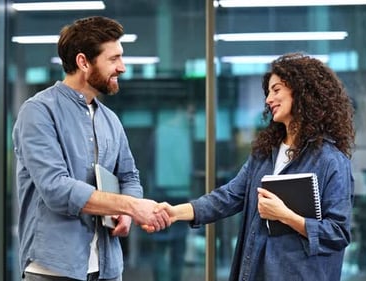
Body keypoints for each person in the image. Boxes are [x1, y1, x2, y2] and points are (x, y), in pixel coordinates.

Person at [150, 53, 355, 281]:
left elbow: (338, 233)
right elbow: (227, 197)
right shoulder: (264, 154)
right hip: (255, 270)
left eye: (276, 90)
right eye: (268, 92)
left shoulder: (330, 160)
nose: (268, 99)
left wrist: (286, 216)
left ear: (302, 91)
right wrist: (175, 212)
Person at [12, 16, 170, 281]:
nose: (122, 67)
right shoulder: (38, 112)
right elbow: (56, 189)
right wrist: (131, 205)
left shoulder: (110, 120)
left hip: (107, 268)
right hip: (54, 270)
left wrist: (125, 214)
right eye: (113, 59)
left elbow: (129, 175)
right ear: (83, 62)